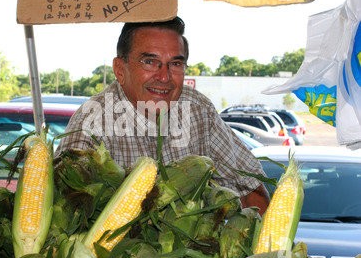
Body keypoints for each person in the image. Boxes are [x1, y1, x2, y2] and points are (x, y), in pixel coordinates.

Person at [55, 16, 270, 215]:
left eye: (175, 64)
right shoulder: (91, 122)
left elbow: (250, 188)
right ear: (120, 69)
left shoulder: (197, 109)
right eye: (149, 62)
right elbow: (63, 211)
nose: (164, 77)